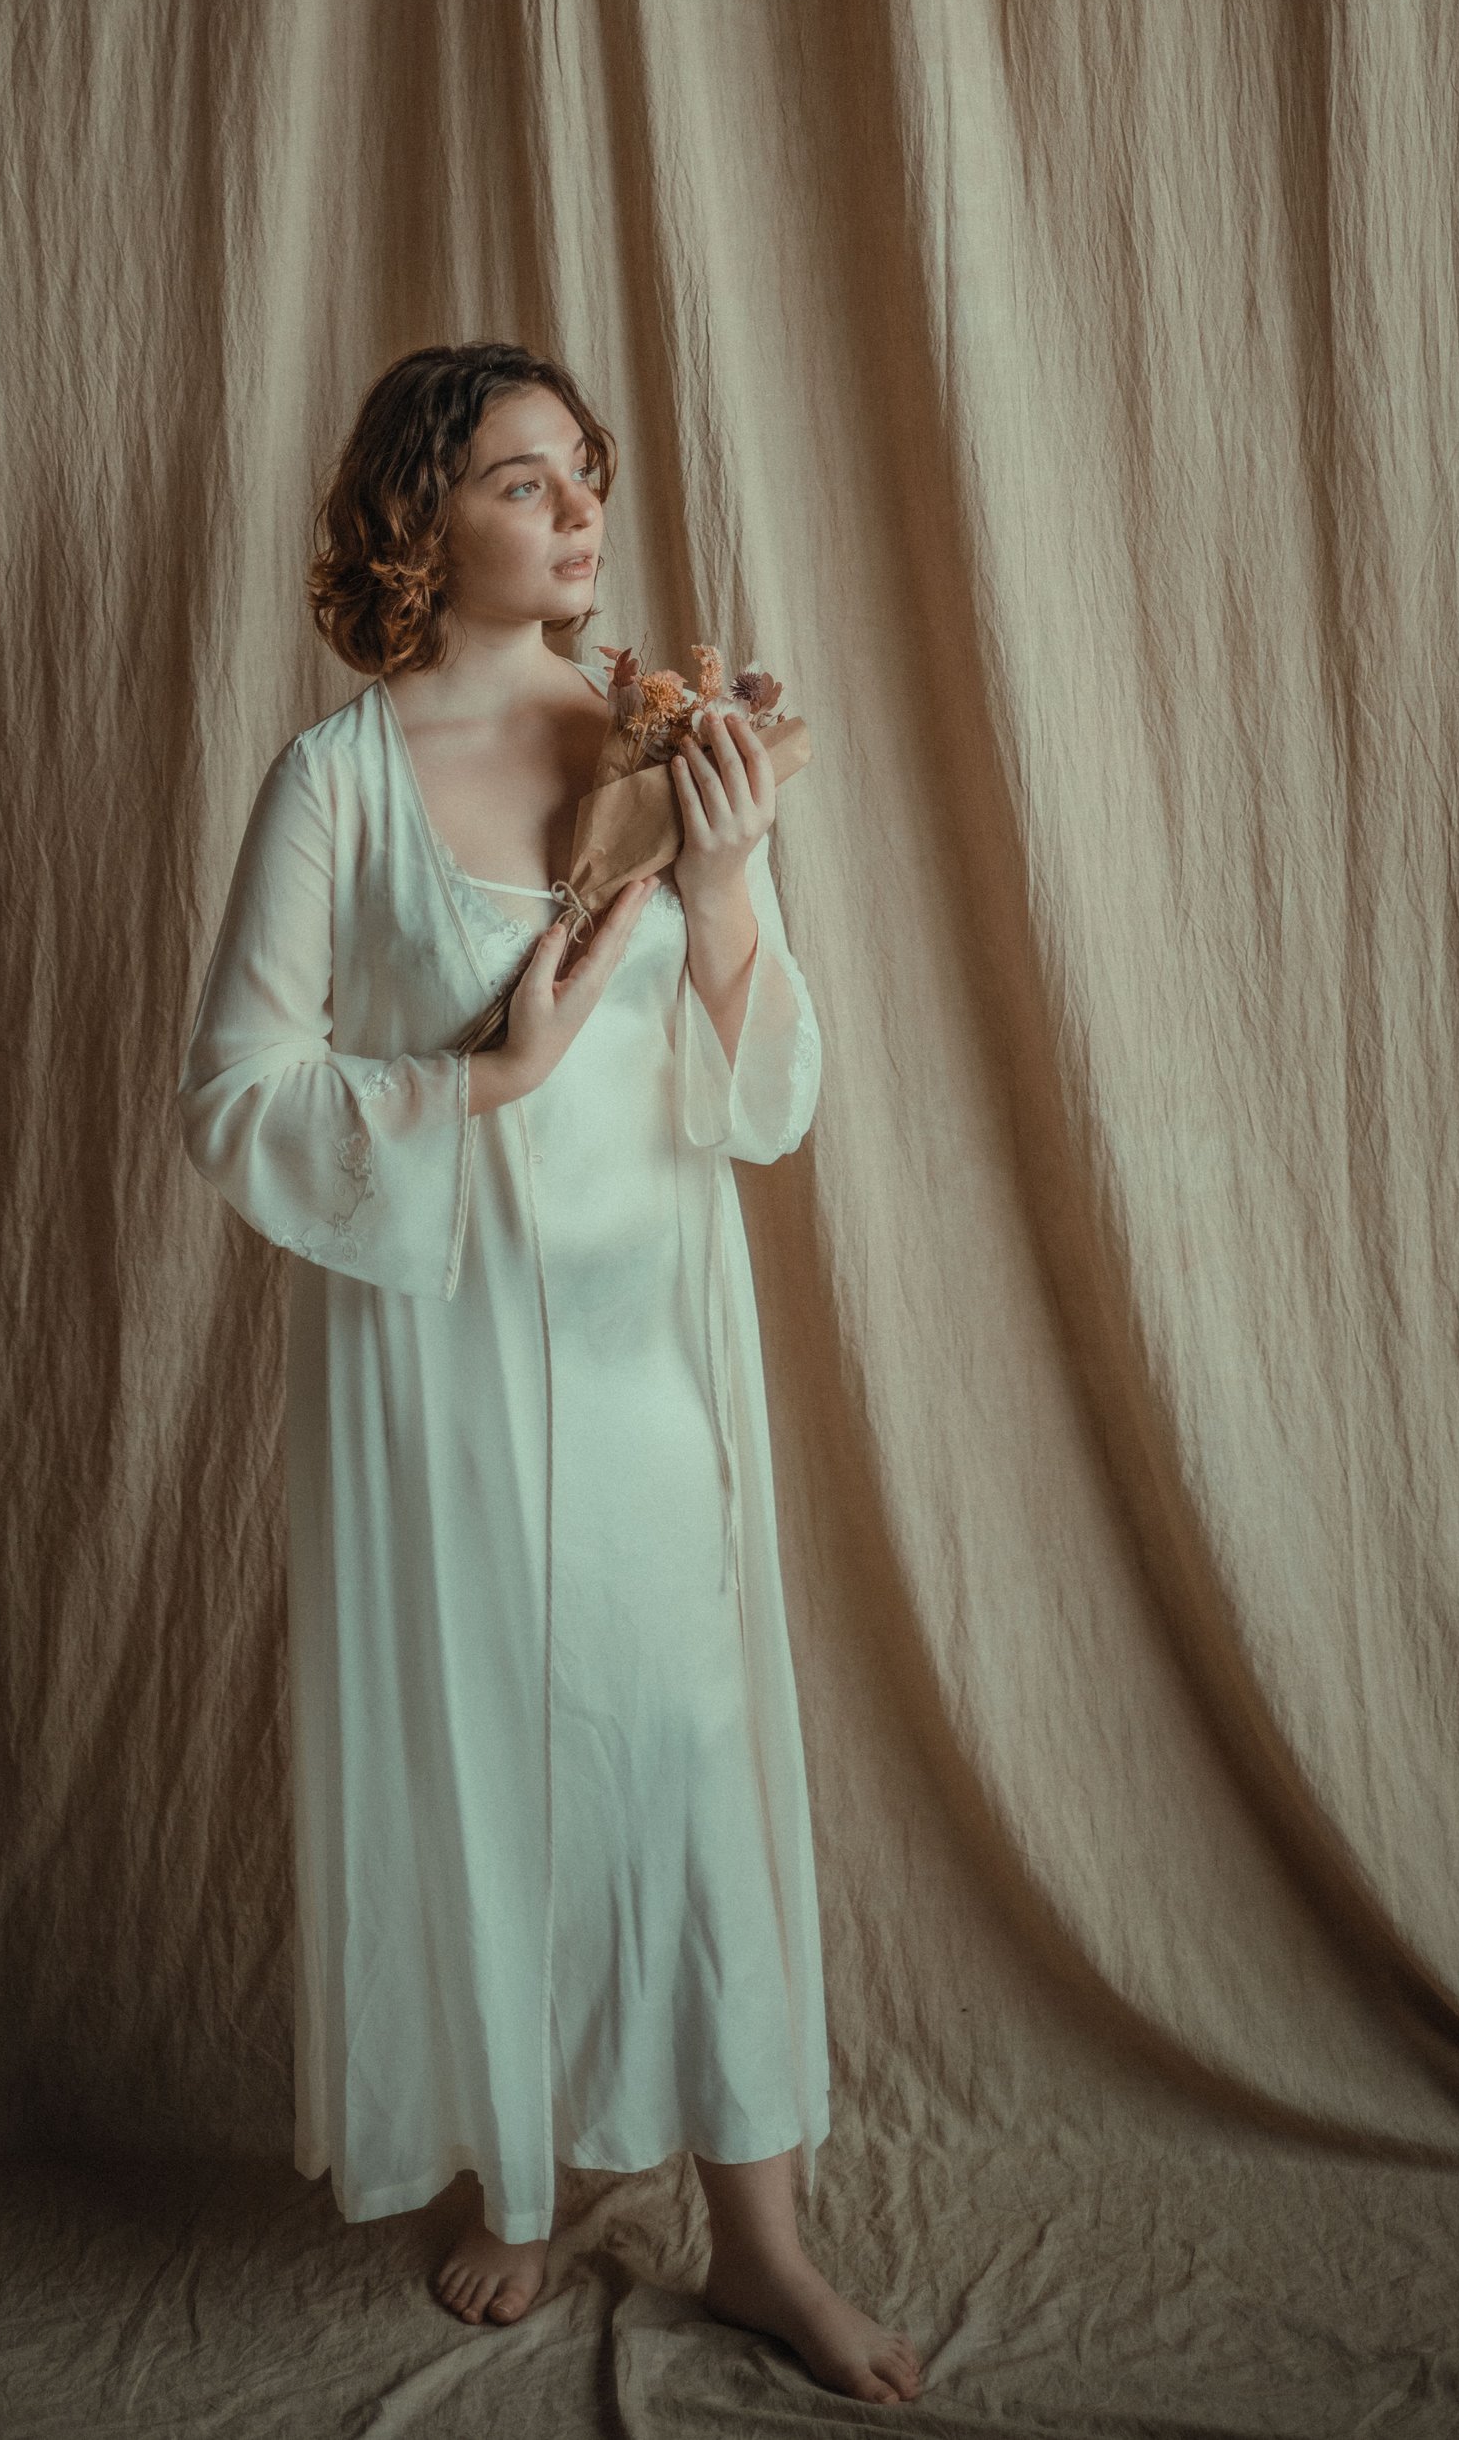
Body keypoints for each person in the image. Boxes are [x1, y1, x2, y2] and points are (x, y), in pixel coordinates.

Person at [178, 340, 923, 2406]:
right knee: (494, 1751)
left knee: (682, 1750)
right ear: (422, 517)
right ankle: (527, 2166)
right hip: (435, 1356)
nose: (577, 508)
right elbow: (229, 1091)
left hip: (637, 1335)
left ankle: (759, 2232)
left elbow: (761, 1093)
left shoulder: (657, 732)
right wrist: (478, 1070)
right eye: (522, 478)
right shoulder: (335, 776)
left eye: (585, 472)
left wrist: (725, 875)